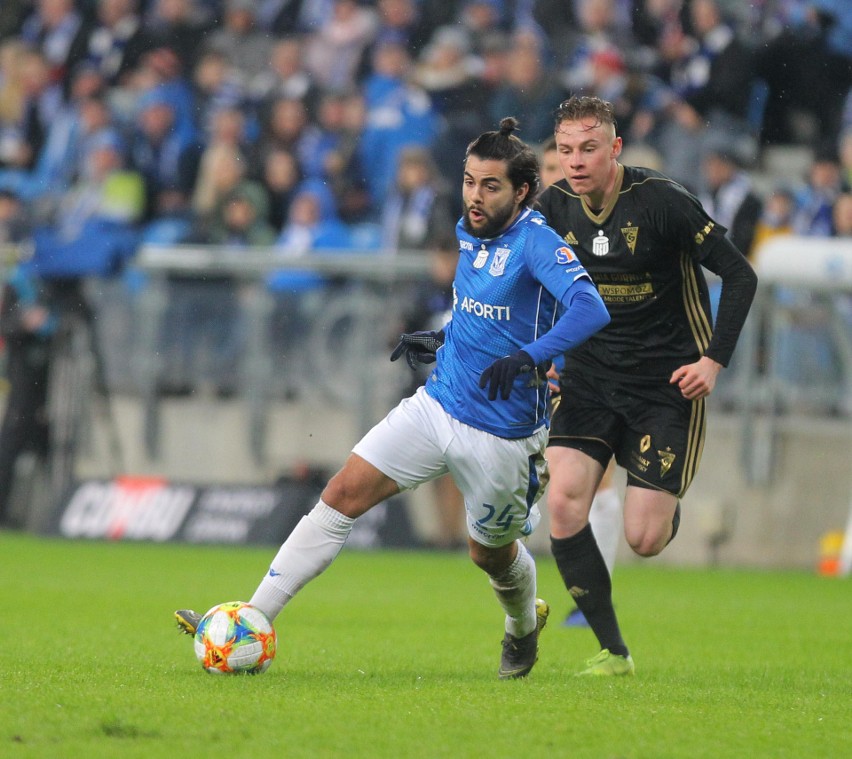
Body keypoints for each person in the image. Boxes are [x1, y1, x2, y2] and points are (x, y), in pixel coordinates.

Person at [175, 117, 611, 679]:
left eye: (491, 186)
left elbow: (590, 309)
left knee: (490, 555)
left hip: (503, 436)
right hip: (439, 403)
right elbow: (482, 308)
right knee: (342, 492)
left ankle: (522, 627)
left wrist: (529, 357)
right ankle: (255, 618)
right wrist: (447, 336)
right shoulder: (468, 229)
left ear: (522, 191)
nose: (475, 196)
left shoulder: (537, 243)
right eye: (469, 181)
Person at [537, 96, 757, 676]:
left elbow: (740, 274)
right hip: (589, 378)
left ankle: (662, 510)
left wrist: (713, 361)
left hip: (667, 386)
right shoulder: (551, 207)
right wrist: (545, 354)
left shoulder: (662, 201)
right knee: (563, 499)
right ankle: (613, 652)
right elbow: (525, 283)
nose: (576, 161)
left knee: (644, 537)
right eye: (565, 151)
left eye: (588, 148)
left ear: (615, 149)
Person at [540, 134, 622, 628]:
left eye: (561, 164)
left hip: (596, 365)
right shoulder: (534, 229)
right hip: (545, 363)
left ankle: (594, 598)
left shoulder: (597, 225)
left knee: (598, 476)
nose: (557, 174)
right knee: (553, 479)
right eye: (548, 167)